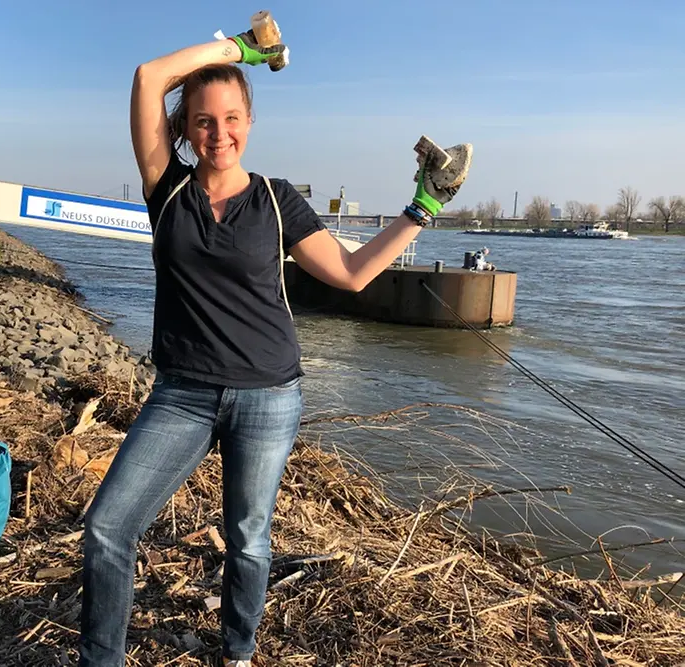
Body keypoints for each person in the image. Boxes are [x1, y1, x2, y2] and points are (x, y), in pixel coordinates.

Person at [78, 25, 466, 667]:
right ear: (184, 130)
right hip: (182, 396)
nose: (219, 133)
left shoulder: (278, 201)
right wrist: (241, 49)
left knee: (249, 539)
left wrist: (421, 207)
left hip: (269, 396)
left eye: (232, 118)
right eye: (203, 121)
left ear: (250, 122)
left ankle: (237, 651)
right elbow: (150, 77)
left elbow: (351, 274)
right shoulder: (165, 190)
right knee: (106, 529)